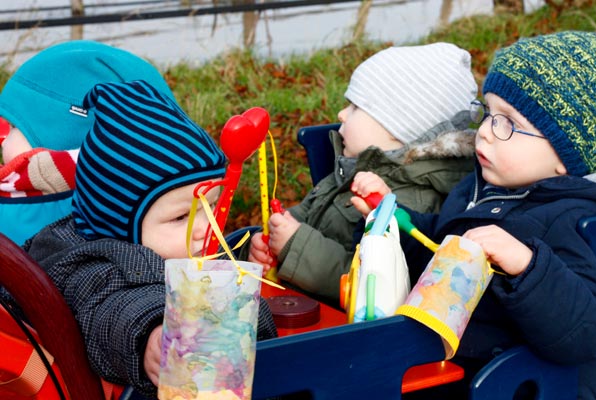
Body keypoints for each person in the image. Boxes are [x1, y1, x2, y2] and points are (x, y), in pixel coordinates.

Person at [352, 31, 596, 399]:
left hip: (521, 387)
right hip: (450, 370)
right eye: (488, 113)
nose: (484, 132)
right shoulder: (480, 189)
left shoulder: (570, 218)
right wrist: (393, 218)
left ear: (567, 156)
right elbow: (438, 248)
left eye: (508, 123)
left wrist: (528, 267)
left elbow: (586, 335)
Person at [18, 80, 277, 397]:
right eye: (182, 216)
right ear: (119, 223)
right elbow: (112, 310)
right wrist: (153, 334)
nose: (206, 228)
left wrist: (242, 267)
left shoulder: (176, 248)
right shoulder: (93, 266)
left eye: (211, 207)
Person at [246, 43, 478, 304]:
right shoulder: (357, 166)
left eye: (355, 107)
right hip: (300, 306)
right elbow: (312, 211)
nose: (341, 114)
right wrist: (275, 233)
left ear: (396, 128)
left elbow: (376, 286)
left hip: (344, 331)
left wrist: (295, 245)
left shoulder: (411, 201)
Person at [0, 40, 174, 245]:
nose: (3, 141)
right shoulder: (152, 206)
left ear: (58, 139)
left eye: (12, 127)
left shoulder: (21, 206)